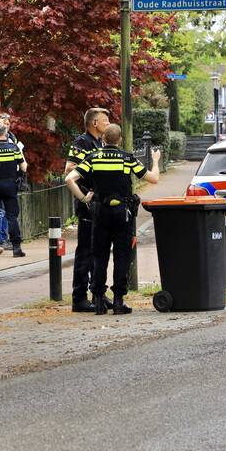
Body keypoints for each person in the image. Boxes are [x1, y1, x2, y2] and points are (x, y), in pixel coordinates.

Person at [66, 123, 160, 315]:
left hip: (99, 213)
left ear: (103, 139)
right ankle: (118, 301)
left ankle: (99, 301)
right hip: (122, 214)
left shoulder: (93, 157)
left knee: (99, 256)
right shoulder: (127, 159)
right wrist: (156, 161)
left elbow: (69, 179)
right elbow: (153, 179)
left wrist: (84, 198)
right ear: (120, 140)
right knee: (122, 256)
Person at [64, 107, 110, 313]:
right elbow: (69, 169)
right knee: (85, 251)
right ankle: (79, 297)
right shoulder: (82, 142)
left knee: (98, 251)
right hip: (87, 204)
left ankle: (98, 293)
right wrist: (85, 194)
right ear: (94, 123)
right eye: (105, 120)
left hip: (99, 204)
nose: (108, 123)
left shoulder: (100, 143)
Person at [0, 122, 27, 257]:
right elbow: (24, 167)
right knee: (12, 216)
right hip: (10, 186)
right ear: (6, 133)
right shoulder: (13, 148)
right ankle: (16, 248)